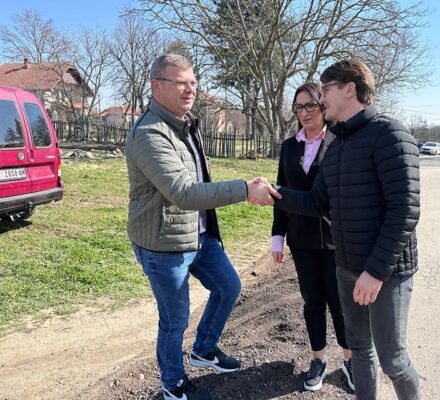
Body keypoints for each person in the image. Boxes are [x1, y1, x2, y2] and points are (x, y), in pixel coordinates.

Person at [125, 53, 280, 400]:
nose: (190, 89)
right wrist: (245, 190)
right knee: (175, 320)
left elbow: (197, 182)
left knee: (228, 287)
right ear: (157, 86)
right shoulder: (150, 133)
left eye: (193, 82)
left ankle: (204, 350)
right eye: (180, 82)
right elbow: (183, 192)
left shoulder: (184, 124)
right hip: (164, 245)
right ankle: (173, 384)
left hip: (198, 235)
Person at [272, 58, 421, 400]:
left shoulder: (390, 135)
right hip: (347, 268)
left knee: (393, 360)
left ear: (349, 88)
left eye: (326, 90)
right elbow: (316, 202)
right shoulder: (338, 145)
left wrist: (376, 272)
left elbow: (405, 211)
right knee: (360, 351)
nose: (322, 99)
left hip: (386, 274)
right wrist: (274, 194)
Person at [271, 82, 353, 392]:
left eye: (310, 106)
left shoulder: (339, 142)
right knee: (312, 301)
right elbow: (281, 193)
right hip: (301, 239)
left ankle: (350, 359)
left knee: (340, 303)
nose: (304, 113)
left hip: (336, 239)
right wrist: (277, 235)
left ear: (322, 106)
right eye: (298, 107)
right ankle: (318, 359)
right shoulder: (289, 147)